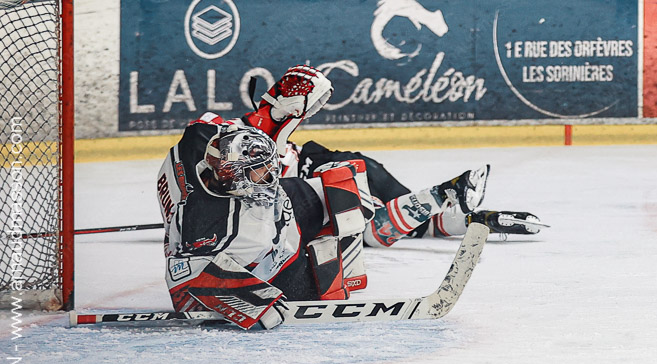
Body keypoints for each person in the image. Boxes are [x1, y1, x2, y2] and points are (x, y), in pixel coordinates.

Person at [157, 65, 542, 329]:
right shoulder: (211, 157)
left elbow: (259, 168)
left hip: (264, 206)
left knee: (351, 175)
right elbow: (188, 274)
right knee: (342, 235)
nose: (269, 176)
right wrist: (246, 300)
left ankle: (432, 210)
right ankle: (423, 217)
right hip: (258, 244)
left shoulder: (256, 161)